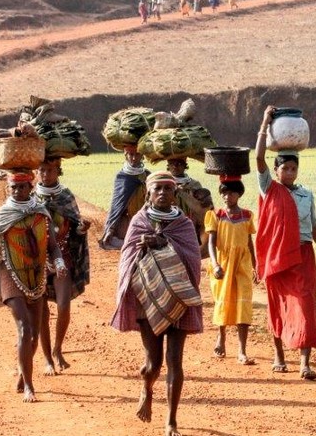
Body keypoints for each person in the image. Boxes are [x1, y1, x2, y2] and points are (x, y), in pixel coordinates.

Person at [111, 171, 202, 436]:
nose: (162, 193)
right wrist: (143, 247)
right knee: (154, 364)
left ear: (175, 195)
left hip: (177, 297)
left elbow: (193, 261)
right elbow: (126, 260)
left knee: (175, 361)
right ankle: (147, 387)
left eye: (167, 189)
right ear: (148, 194)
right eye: (157, 189)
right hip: (147, 301)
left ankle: (171, 420)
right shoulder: (140, 221)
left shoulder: (183, 224)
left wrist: (165, 243)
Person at [254, 105, 316, 380]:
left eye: (292, 168)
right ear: (275, 171)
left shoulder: (306, 194)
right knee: (277, 306)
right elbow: (258, 157)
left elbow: (313, 226)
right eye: (284, 168)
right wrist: (265, 123)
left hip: (303, 254)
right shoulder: (269, 189)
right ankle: (278, 356)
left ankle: (304, 363)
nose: (289, 171)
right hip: (277, 258)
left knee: (305, 306)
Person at [0, 172, 64, 403]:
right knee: (24, 329)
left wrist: (60, 263)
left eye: (22, 187)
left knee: (34, 336)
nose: (17, 191)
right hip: (10, 275)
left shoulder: (41, 214)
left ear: (30, 188)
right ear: (8, 189)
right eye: (13, 188)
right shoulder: (3, 215)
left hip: (36, 277)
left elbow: (52, 247)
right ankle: (30, 387)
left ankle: (23, 372)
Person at [34, 158, 92, 376]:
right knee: (41, 311)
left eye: (50, 170)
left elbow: (75, 227)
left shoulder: (65, 196)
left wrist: (82, 229)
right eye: (42, 170)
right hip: (37, 260)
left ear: (58, 171)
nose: (45, 175)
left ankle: (58, 349)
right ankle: (48, 358)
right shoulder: (30, 196)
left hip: (63, 256)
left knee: (63, 306)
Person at [205, 175, 257, 365]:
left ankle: (242, 351)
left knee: (243, 304)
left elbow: (250, 242)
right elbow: (210, 244)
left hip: (243, 264)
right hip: (223, 264)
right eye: (224, 192)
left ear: (239, 194)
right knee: (223, 301)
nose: (228, 196)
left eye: (232, 192)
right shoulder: (215, 216)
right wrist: (215, 264)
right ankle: (221, 337)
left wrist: (256, 265)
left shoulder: (247, 215)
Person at [99, 147, 149, 250]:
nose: (134, 158)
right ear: (125, 155)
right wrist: (110, 229)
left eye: (137, 154)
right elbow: (116, 205)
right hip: (126, 223)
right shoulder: (122, 177)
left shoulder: (148, 176)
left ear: (143, 155)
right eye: (131, 155)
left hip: (145, 222)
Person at [165, 157, 209, 247]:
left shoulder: (195, 185)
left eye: (179, 164)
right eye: (172, 163)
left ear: (185, 166)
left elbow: (202, 209)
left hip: (191, 226)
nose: (175, 166)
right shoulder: (164, 184)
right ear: (168, 166)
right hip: (169, 226)